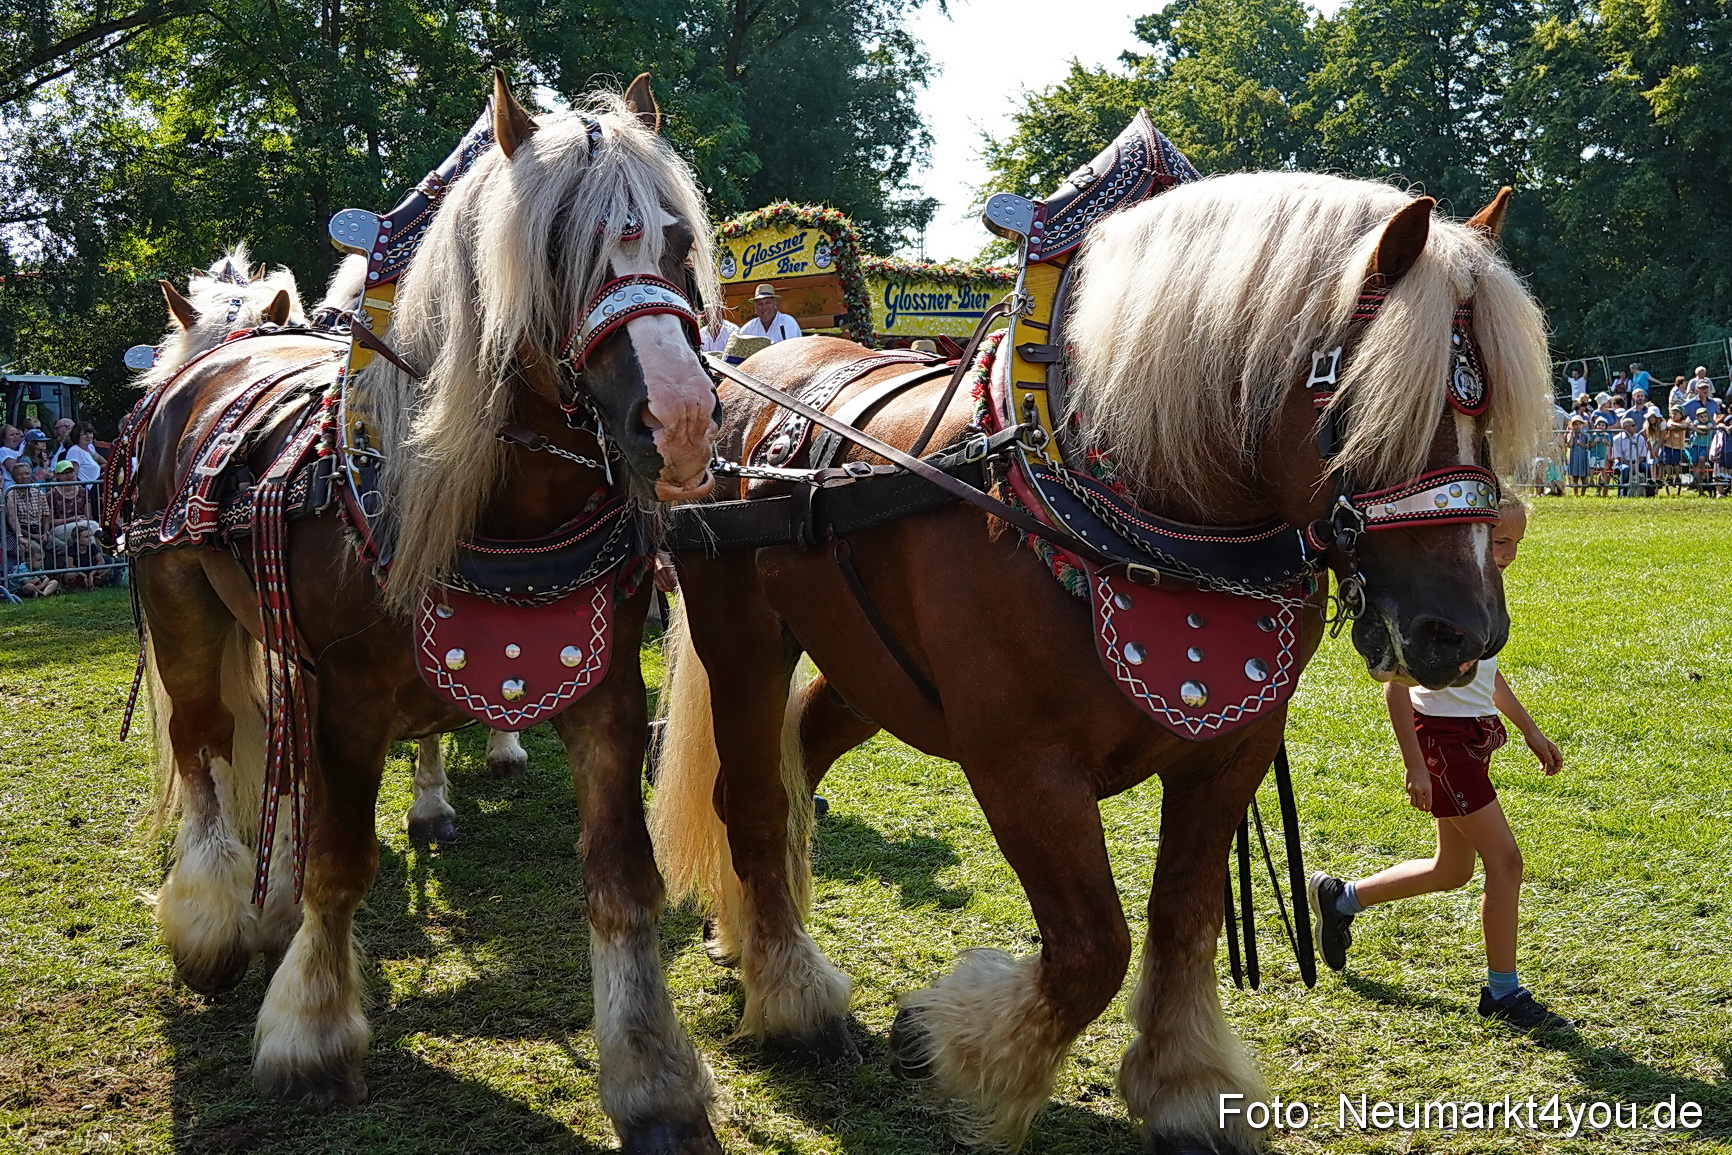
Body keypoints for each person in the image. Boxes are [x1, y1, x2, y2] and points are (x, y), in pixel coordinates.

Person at [1310, 498, 1568, 1031]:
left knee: (1452, 870)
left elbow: (1489, 678)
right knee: (1506, 863)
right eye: (1499, 542)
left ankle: (1340, 900)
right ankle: (1503, 992)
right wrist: (1416, 766)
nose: (1508, 554)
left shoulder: (1478, 595)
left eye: (1516, 544)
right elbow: (1397, 691)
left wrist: (1529, 728)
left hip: (1471, 741)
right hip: (1443, 747)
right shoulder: (1441, 596)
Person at [1609, 416, 1646, 496]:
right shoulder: (1617, 439)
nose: (1635, 427)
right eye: (1633, 425)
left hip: (1637, 461)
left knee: (1647, 467)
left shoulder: (1640, 438)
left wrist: (1635, 464)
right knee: (1626, 469)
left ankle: (1649, 492)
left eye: (1635, 425)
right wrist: (1630, 465)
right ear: (1625, 428)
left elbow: (1642, 456)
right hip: (1621, 462)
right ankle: (1623, 492)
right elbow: (1618, 457)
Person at [1659, 406, 1690, 494]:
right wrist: (1677, 427)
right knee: (1667, 462)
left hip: (1678, 446)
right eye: (1672, 413)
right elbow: (1668, 426)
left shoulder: (1683, 421)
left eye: (1676, 413)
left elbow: (1684, 425)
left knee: (1676, 462)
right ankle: (1669, 477)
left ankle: (1677, 477)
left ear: (1681, 415)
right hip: (1668, 445)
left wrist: (1676, 426)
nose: (1673, 415)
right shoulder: (1669, 421)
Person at [1563, 416, 1591, 496]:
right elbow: (1570, 445)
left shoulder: (1585, 435)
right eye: (1575, 424)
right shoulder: (1571, 435)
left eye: (1579, 424)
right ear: (1573, 426)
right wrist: (1571, 435)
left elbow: (1589, 446)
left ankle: (1583, 494)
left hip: (1583, 457)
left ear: (1582, 425)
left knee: (1584, 477)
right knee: (1575, 476)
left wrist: (1582, 444)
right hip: (1574, 457)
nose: (1578, 426)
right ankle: (1576, 494)